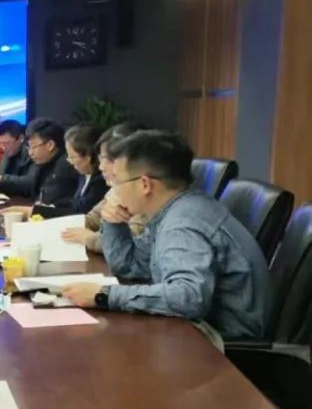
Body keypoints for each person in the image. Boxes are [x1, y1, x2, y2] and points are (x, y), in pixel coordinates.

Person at [61, 131, 270, 341]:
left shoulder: (183, 224)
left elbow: (189, 297)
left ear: (145, 185)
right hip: (192, 330)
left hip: (218, 345)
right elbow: (130, 265)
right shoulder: (171, 210)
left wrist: (103, 295)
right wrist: (113, 224)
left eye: (118, 182)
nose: (114, 191)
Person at [61, 122, 148, 253]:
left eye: (109, 160)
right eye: (100, 159)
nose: (101, 167)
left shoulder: (147, 194)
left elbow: (130, 243)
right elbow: (93, 218)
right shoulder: (115, 189)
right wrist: (57, 226)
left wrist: (89, 238)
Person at [0, 118, 80, 217]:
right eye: (29, 147)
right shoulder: (42, 162)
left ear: (50, 145)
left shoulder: (67, 165)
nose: (30, 153)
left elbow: (68, 208)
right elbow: (29, 185)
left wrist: (33, 211)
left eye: (33, 147)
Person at [60, 124, 107, 215]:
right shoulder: (83, 175)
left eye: (72, 157)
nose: (69, 161)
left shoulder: (102, 182)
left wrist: (42, 211)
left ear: (87, 157)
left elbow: (80, 211)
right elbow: (74, 203)